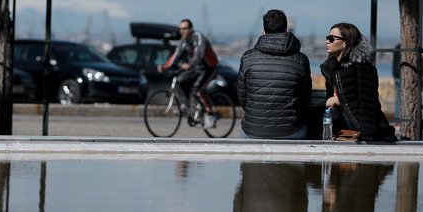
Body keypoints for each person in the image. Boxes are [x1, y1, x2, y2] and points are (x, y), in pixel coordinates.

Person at [236, 9, 312, 139]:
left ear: (264, 31)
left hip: (252, 131)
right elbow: (306, 98)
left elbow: (242, 96)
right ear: (286, 29)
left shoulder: (248, 57)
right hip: (291, 130)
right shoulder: (301, 59)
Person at [321, 22, 396, 142]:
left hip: (361, 128)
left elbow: (366, 101)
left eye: (331, 39)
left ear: (345, 42)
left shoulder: (359, 67)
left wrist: (367, 134)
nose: (327, 42)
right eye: (327, 38)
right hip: (343, 124)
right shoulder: (332, 68)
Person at [156, 18, 220, 129]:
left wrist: (189, 64)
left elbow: (199, 54)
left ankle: (211, 115)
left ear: (191, 29)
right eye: (181, 29)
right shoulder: (184, 41)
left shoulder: (199, 38)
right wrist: (165, 66)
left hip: (208, 68)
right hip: (195, 69)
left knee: (198, 91)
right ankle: (186, 106)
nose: (182, 31)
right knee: (179, 80)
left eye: (185, 28)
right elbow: (176, 55)